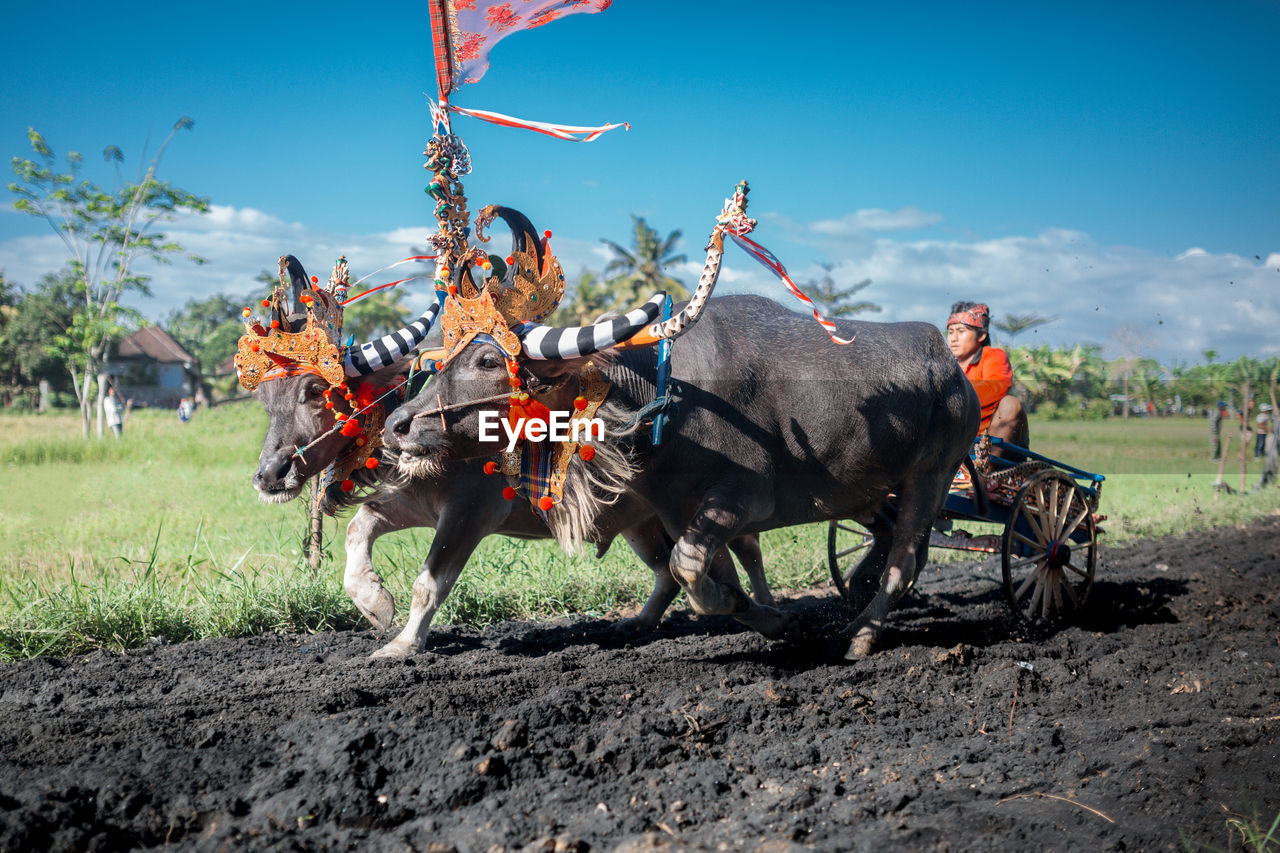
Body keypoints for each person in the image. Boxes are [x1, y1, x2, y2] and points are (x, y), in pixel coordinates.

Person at [946, 301, 1029, 449]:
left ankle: (985, 469)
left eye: (961, 331)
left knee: (1011, 404)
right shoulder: (945, 366)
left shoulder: (993, 356)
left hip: (991, 441)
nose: (953, 338)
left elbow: (995, 387)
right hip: (958, 441)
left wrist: (947, 394)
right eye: (950, 332)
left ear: (981, 335)